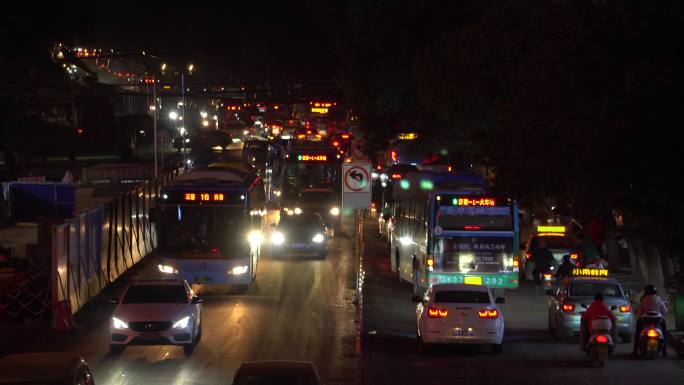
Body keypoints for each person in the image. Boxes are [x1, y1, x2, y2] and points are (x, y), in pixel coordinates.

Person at [632, 285, 669, 356]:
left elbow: (639, 313)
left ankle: (635, 351)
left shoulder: (643, 300)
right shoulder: (659, 299)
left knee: (638, 333)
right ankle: (664, 351)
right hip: (658, 320)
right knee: (664, 333)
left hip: (645, 319)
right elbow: (665, 311)